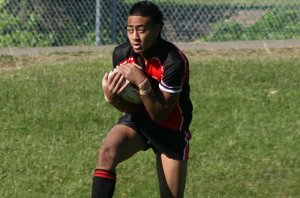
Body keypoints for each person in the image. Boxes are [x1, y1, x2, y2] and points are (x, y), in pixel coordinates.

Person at [91, 1, 193, 197]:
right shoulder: (121, 54)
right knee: (107, 152)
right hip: (138, 120)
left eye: (141, 30)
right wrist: (115, 100)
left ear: (157, 29)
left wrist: (143, 83)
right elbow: (133, 107)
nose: (134, 37)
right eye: (130, 30)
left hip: (170, 129)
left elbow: (161, 115)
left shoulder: (174, 62)